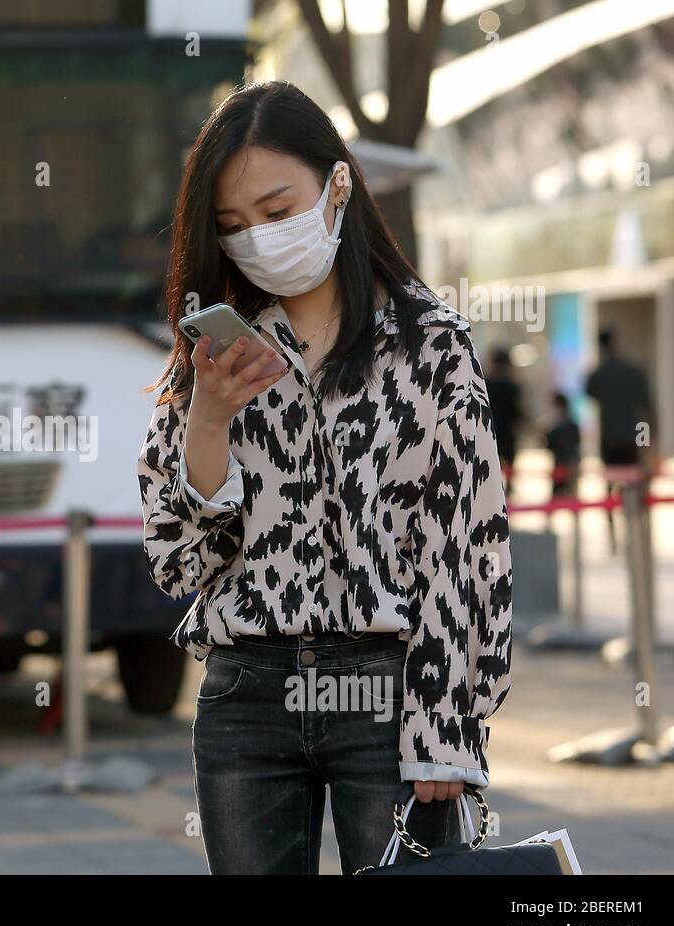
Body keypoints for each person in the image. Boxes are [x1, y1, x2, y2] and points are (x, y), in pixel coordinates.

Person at [137, 81, 512, 874]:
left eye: (277, 213)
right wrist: (207, 418)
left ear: (337, 186)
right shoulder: (215, 354)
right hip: (248, 692)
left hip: (387, 693)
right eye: (233, 226)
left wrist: (449, 725)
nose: (257, 240)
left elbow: (467, 547)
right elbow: (178, 561)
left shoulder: (429, 344)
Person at [585, 327, 654, 553]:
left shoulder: (598, 373)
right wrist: (645, 441)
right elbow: (646, 408)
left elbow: (588, 392)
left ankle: (613, 538)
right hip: (631, 439)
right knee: (635, 486)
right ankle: (636, 533)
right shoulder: (633, 371)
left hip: (609, 440)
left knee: (609, 488)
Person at [485, 347, 523, 484]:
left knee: (490, 472)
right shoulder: (513, 387)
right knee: (509, 470)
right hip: (507, 434)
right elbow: (518, 413)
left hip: (488, 433)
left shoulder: (485, 385)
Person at [544, 392, 581, 501]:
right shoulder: (571, 424)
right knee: (571, 493)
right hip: (570, 460)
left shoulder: (557, 426)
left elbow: (549, 443)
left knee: (559, 493)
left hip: (563, 461)